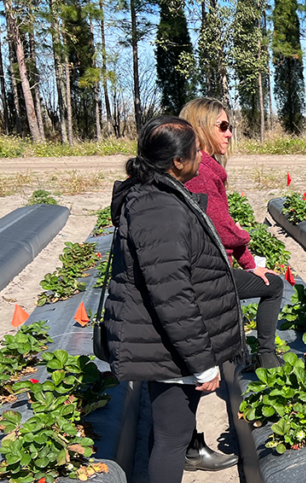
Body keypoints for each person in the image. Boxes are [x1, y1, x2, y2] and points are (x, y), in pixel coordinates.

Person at [104, 116, 246, 483]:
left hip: (166, 345)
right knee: (172, 438)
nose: (202, 154)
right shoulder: (159, 209)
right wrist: (202, 363)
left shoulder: (158, 195)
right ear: (177, 162)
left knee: (170, 430)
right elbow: (172, 295)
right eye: (195, 149)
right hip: (168, 348)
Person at [181, 96, 285, 373]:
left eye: (230, 126)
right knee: (274, 286)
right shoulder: (201, 170)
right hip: (205, 274)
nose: (229, 133)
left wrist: (251, 265)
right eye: (222, 126)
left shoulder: (199, 165)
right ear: (201, 127)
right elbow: (222, 229)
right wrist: (242, 234)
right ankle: (267, 356)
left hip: (205, 267)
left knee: (263, 279)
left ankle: (241, 351)